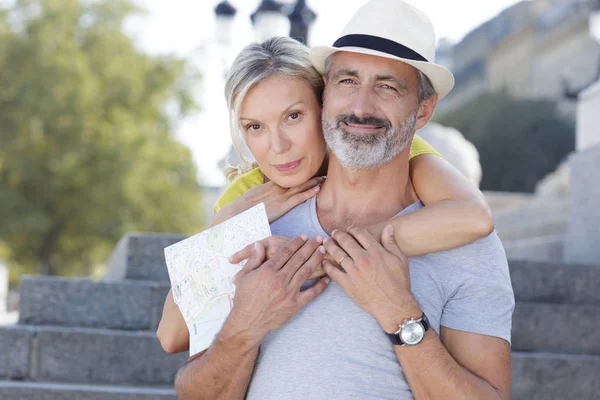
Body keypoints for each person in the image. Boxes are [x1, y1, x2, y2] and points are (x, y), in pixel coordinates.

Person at [173, 0, 515, 399]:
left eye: (387, 86)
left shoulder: (466, 245)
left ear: (423, 109)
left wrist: (399, 313)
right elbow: (193, 390)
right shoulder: (255, 224)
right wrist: (244, 328)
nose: (361, 106)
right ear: (324, 96)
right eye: (347, 81)